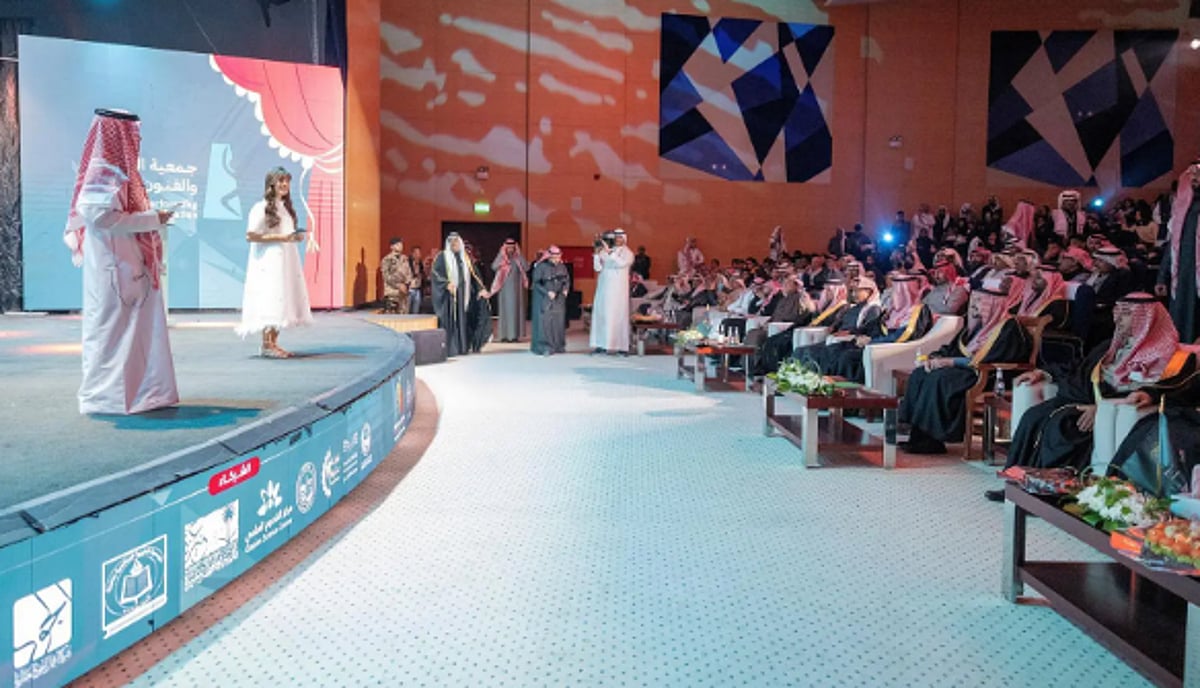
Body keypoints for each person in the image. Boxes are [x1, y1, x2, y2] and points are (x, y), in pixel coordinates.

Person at [985, 295, 1200, 501]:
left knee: (1063, 428)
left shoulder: (1173, 359)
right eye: (1117, 311)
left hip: (1106, 410)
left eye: (1126, 313)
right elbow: (1078, 366)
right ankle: (1016, 484)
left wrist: (1103, 407)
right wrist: (1044, 373)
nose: (1117, 318)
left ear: (1148, 319)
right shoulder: (1109, 347)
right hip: (1078, 399)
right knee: (1033, 417)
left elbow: (1178, 390)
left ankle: (1048, 491)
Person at [64, 108, 178, 414]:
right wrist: (153, 218)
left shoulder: (118, 172)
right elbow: (100, 216)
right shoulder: (103, 171)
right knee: (114, 333)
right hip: (114, 266)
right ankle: (108, 399)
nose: (133, 140)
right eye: (128, 133)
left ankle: (141, 394)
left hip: (126, 263)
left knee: (132, 332)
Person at [899, 285, 1033, 454]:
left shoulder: (1009, 329)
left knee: (939, 379)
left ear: (993, 304)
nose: (974, 305)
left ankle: (932, 439)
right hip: (965, 372)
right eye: (974, 300)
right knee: (921, 373)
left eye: (980, 301)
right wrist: (936, 358)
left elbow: (992, 360)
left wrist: (952, 362)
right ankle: (918, 436)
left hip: (988, 375)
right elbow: (952, 348)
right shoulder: (976, 327)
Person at [236, 166, 313, 358]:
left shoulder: (284, 208)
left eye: (287, 181)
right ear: (271, 183)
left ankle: (273, 343)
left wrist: (294, 237)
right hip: (269, 262)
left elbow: (285, 233)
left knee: (282, 297)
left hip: (285, 259)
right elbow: (251, 235)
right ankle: (267, 344)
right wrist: (281, 238)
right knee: (271, 296)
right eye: (281, 181)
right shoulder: (260, 208)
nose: (285, 184)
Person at [1158, 162, 1200, 342]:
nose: (1195, 180)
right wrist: (1162, 277)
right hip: (1185, 276)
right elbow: (1173, 245)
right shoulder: (1182, 211)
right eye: (1192, 177)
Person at [432, 232, 487, 357]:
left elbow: (474, 275)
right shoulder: (442, 257)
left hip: (464, 295)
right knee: (452, 320)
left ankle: (463, 346)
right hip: (450, 297)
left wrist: (480, 289)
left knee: (464, 319)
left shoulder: (465, 258)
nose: (454, 244)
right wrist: (446, 284)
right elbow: (436, 274)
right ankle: (452, 348)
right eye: (452, 242)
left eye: (456, 241)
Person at [591, 228, 634, 355]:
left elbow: (621, 263)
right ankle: (601, 344)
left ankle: (621, 347)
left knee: (617, 316)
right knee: (602, 315)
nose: (617, 239)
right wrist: (596, 254)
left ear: (624, 239)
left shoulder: (628, 253)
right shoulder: (606, 250)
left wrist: (610, 252)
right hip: (604, 288)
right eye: (616, 237)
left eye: (620, 237)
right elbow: (597, 268)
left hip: (618, 291)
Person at [532, 245, 570, 355]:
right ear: (549, 256)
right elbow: (537, 283)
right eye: (554, 257)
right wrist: (547, 292)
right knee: (546, 323)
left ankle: (559, 346)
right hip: (546, 299)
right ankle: (545, 347)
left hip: (559, 299)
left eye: (558, 257)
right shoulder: (541, 267)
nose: (557, 259)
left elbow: (566, 280)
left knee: (559, 322)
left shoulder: (562, 267)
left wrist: (566, 289)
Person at [490, 238, 528, 342]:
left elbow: (526, 267)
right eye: (508, 247)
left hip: (517, 291)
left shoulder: (518, 258)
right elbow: (494, 266)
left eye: (512, 247)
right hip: (504, 290)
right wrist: (502, 258)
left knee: (515, 312)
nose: (510, 249)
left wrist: (519, 255)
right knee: (505, 312)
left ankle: (514, 336)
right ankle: (504, 336)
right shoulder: (502, 257)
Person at [381, 237, 415, 314]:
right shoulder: (387, 259)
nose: (401, 246)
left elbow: (409, 273)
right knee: (392, 316)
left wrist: (407, 284)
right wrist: (398, 285)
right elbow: (386, 277)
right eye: (398, 244)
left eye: (401, 244)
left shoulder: (404, 258)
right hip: (392, 293)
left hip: (404, 294)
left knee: (404, 315)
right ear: (392, 247)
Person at [408, 245, 425, 314]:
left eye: (419, 253)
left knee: (416, 311)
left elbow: (422, 274)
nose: (418, 255)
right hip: (409, 289)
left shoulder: (420, 263)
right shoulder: (408, 263)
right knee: (407, 310)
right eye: (416, 253)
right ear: (412, 254)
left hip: (417, 289)